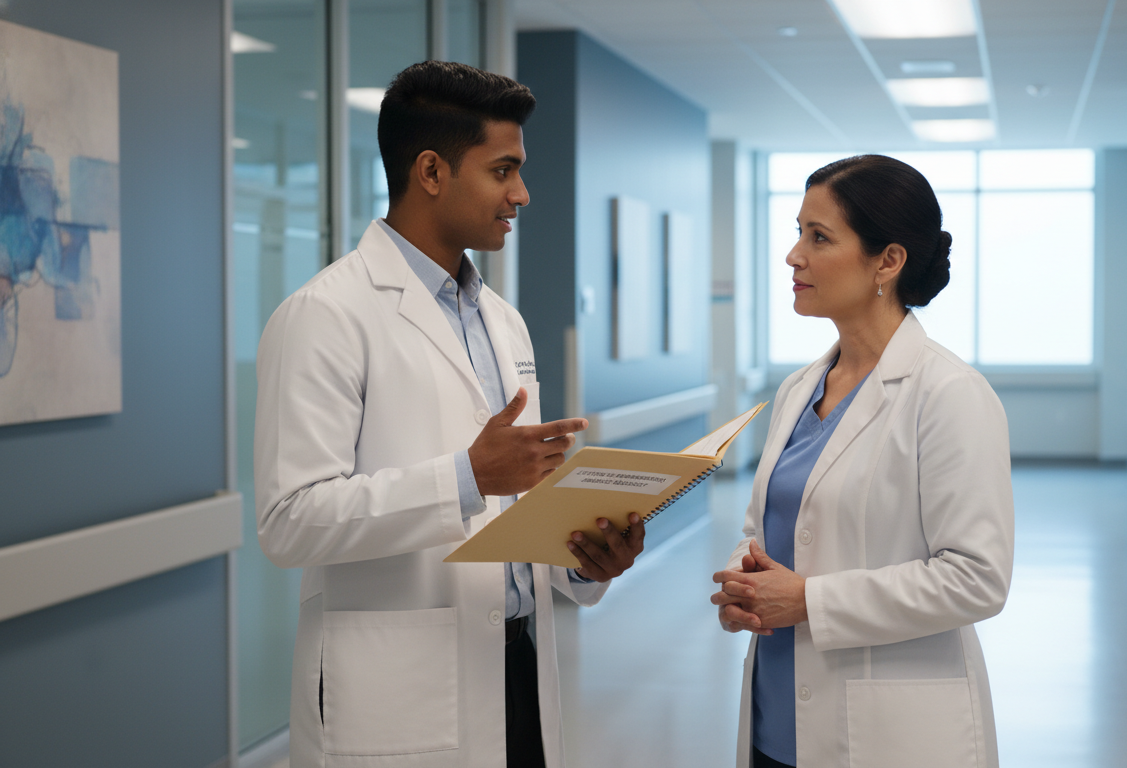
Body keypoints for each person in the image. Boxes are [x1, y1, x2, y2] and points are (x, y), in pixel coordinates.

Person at [254, 61, 646, 768]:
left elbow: (514, 508)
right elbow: (290, 521)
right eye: (502, 171)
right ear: (431, 171)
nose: (521, 194)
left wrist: (585, 563)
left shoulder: (503, 321)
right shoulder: (324, 315)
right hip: (398, 691)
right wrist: (466, 478)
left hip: (517, 671)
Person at [710, 155, 1013, 768]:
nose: (793, 256)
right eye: (798, 232)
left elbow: (977, 577)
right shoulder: (799, 389)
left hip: (889, 735)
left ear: (888, 261)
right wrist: (746, 580)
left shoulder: (949, 393)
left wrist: (808, 601)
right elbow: (768, 529)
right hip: (776, 719)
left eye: (819, 237)